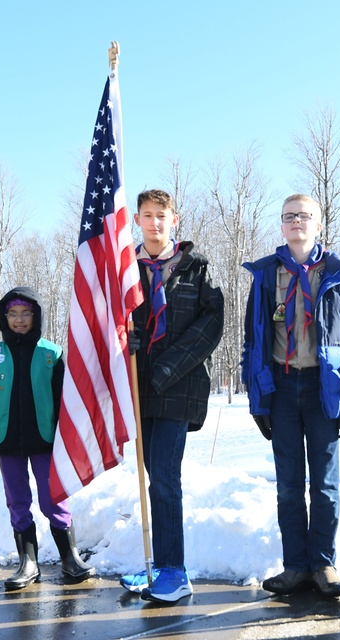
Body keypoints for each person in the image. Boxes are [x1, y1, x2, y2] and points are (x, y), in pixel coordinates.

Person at [242, 193, 340, 598]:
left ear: (319, 224)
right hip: (281, 388)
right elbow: (254, 339)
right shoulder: (266, 275)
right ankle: (295, 566)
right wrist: (257, 399)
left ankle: (324, 564)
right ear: (281, 226)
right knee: (288, 484)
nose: (297, 222)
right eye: (289, 216)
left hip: (323, 388)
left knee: (326, 484)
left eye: (304, 216)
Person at [119, 189, 224, 603]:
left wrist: (166, 367)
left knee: (165, 476)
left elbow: (210, 326)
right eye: (147, 215)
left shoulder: (196, 268)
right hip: (139, 386)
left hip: (177, 386)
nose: (154, 223)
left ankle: (175, 571)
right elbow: (119, 321)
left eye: (161, 215)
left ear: (173, 219)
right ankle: (155, 564)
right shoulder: (127, 270)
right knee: (152, 477)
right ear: (138, 221)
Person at [0, 287, 92, 591]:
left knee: (53, 500)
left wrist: (72, 441)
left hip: (46, 442)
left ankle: (70, 557)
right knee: (18, 501)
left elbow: (68, 401)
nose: (19, 320)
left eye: (26, 314)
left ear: (37, 316)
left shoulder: (51, 354)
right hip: (7, 443)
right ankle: (28, 562)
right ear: (4, 317)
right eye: (12, 314)